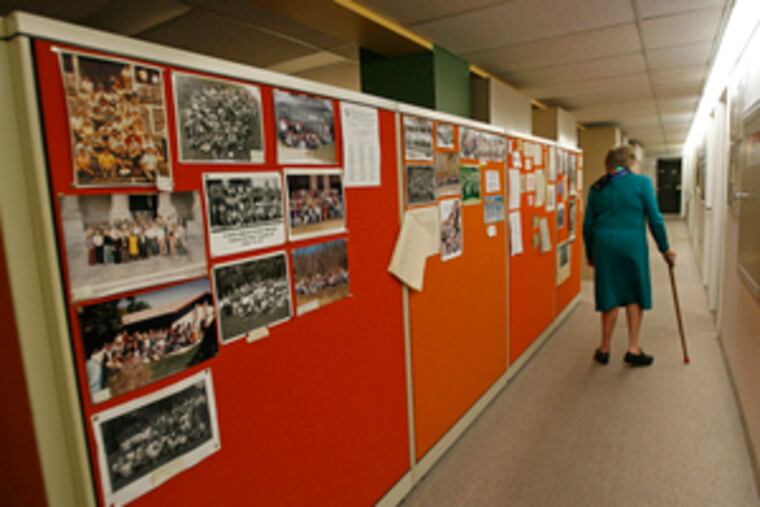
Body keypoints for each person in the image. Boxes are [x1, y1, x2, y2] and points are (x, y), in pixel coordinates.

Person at [583, 146, 676, 367]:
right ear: (629, 163)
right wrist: (665, 248)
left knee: (609, 293)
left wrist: (590, 253)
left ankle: (604, 348)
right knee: (634, 293)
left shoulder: (597, 187)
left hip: (604, 245)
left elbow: (587, 226)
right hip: (632, 244)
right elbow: (655, 219)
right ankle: (633, 348)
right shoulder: (642, 183)